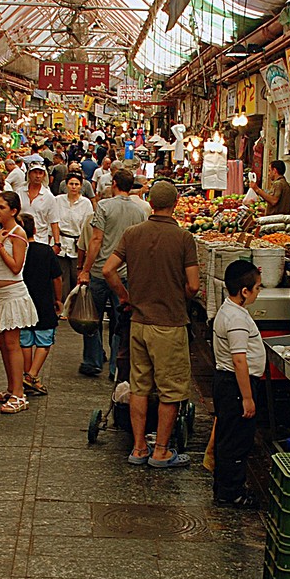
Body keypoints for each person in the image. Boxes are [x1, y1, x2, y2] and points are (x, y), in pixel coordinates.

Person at [103, 180, 200, 469]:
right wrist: (175, 293)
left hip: (138, 323)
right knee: (170, 390)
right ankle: (160, 451)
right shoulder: (183, 238)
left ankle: (138, 447)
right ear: (176, 203)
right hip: (169, 324)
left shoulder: (133, 234)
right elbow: (193, 285)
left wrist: (126, 296)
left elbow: (108, 269)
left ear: (150, 203)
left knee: (139, 386)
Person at [79, 168, 149, 379]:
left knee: (92, 319)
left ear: (115, 184)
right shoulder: (139, 212)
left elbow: (96, 240)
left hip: (102, 271)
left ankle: (92, 361)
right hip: (125, 273)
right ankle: (117, 367)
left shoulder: (104, 206)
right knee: (121, 322)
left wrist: (85, 269)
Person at [211, 259, 264, 507]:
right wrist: (247, 397)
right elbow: (239, 360)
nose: (258, 292)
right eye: (257, 288)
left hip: (228, 384)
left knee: (227, 437)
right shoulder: (236, 319)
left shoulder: (228, 311)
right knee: (236, 441)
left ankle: (225, 487)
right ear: (245, 291)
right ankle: (232, 493)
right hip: (235, 385)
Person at [0, 191, 37, 414]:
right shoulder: (0, 233)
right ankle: (11, 387)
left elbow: (16, 267)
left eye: (1, 207)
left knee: (12, 344)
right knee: (1, 343)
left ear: (13, 211)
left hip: (13, 294)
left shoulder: (18, 234)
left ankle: (19, 393)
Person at [18, 214, 63, 396]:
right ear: (35, 230)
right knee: (44, 340)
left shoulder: (17, 250)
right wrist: (58, 299)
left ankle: (27, 375)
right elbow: (57, 277)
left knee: (26, 341)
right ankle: (32, 375)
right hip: (43, 300)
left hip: (22, 300)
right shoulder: (46, 251)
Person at [54, 171, 95, 287]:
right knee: (61, 278)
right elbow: (53, 222)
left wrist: (84, 244)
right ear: (66, 185)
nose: (73, 187)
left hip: (78, 245)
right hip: (61, 243)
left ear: (81, 186)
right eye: (71, 184)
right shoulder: (58, 200)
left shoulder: (86, 203)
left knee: (76, 277)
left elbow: (87, 226)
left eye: (76, 184)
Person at [20, 159, 63, 249]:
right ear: (29, 174)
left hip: (40, 239)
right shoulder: (19, 192)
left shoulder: (49, 196)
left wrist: (57, 243)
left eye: (40, 173)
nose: (38, 176)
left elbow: (54, 221)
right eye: (35, 173)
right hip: (20, 238)